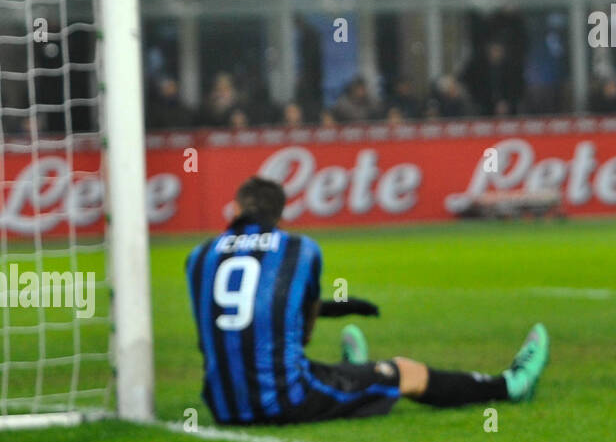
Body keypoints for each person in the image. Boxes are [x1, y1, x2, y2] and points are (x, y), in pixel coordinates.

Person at [186, 177, 549, 425]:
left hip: (222, 406)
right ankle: (509, 386)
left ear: (234, 209)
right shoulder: (299, 248)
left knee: (290, 361)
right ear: (281, 216)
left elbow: (222, 323)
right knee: (403, 372)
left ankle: (352, 374)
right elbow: (304, 329)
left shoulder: (198, 256)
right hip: (283, 402)